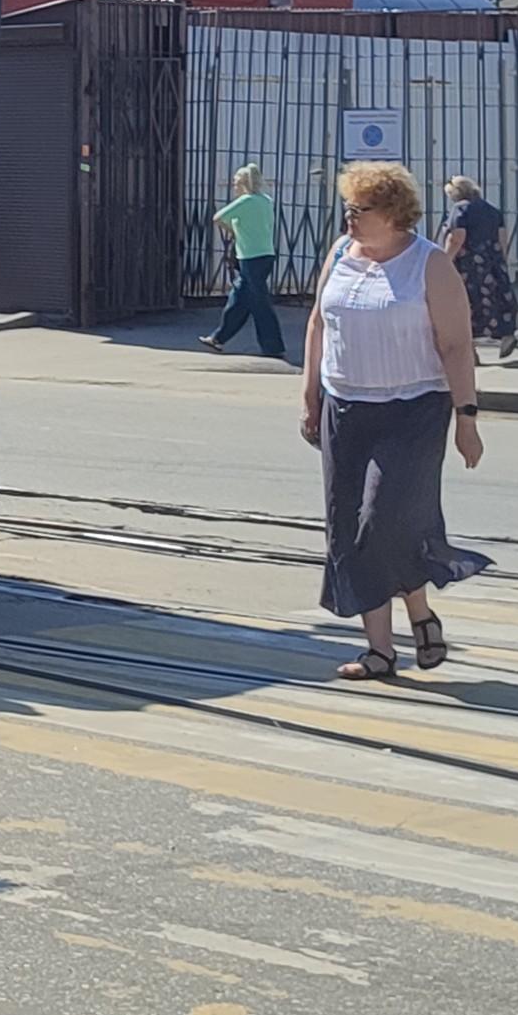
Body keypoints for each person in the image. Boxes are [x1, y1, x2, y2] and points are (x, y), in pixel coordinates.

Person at [303, 159, 491, 681]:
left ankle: (420, 612)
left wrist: (466, 419)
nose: (348, 219)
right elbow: (319, 322)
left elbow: (456, 346)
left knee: (383, 519)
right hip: (346, 404)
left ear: (392, 213)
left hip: (414, 408)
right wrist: (309, 396)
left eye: (358, 210)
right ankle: (380, 651)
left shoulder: (429, 264)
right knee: (348, 529)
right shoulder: (341, 253)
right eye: (346, 208)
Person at [201, 164, 285, 360]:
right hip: (264, 254)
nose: (234, 187)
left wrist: (233, 230)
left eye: (236, 183)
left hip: (250, 257)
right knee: (239, 299)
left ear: (244, 184)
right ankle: (218, 338)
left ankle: (273, 346)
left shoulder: (246, 201)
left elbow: (217, 217)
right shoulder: (265, 200)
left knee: (259, 303)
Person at [440, 174, 518, 361]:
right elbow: (502, 238)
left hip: (469, 265)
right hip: (492, 261)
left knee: (465, 304)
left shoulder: (460, 210)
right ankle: (507, 334)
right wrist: (501, 260)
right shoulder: (492, 210)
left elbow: (457, 237)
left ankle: (470, 348)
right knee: (496, 299)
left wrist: (445, 260)